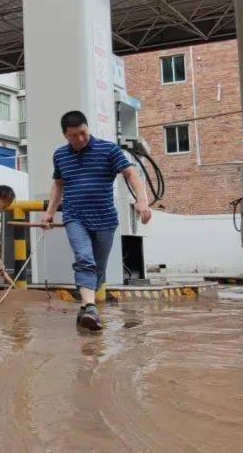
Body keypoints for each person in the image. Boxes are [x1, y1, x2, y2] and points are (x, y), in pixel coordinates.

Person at [42, 110, 153, 331]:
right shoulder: (60, 155)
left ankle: (85, 308)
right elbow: (58, 184)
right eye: (74, 135)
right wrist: (50, 212)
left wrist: (142, 201)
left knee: (99, 271)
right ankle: (91, 307)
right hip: (75, 217)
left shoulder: (108, 150)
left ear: (87, 128)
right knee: (84, 259)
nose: (80, 138)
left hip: (105, 219)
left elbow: (131, 174)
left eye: (83, 132)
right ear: (65, 135)